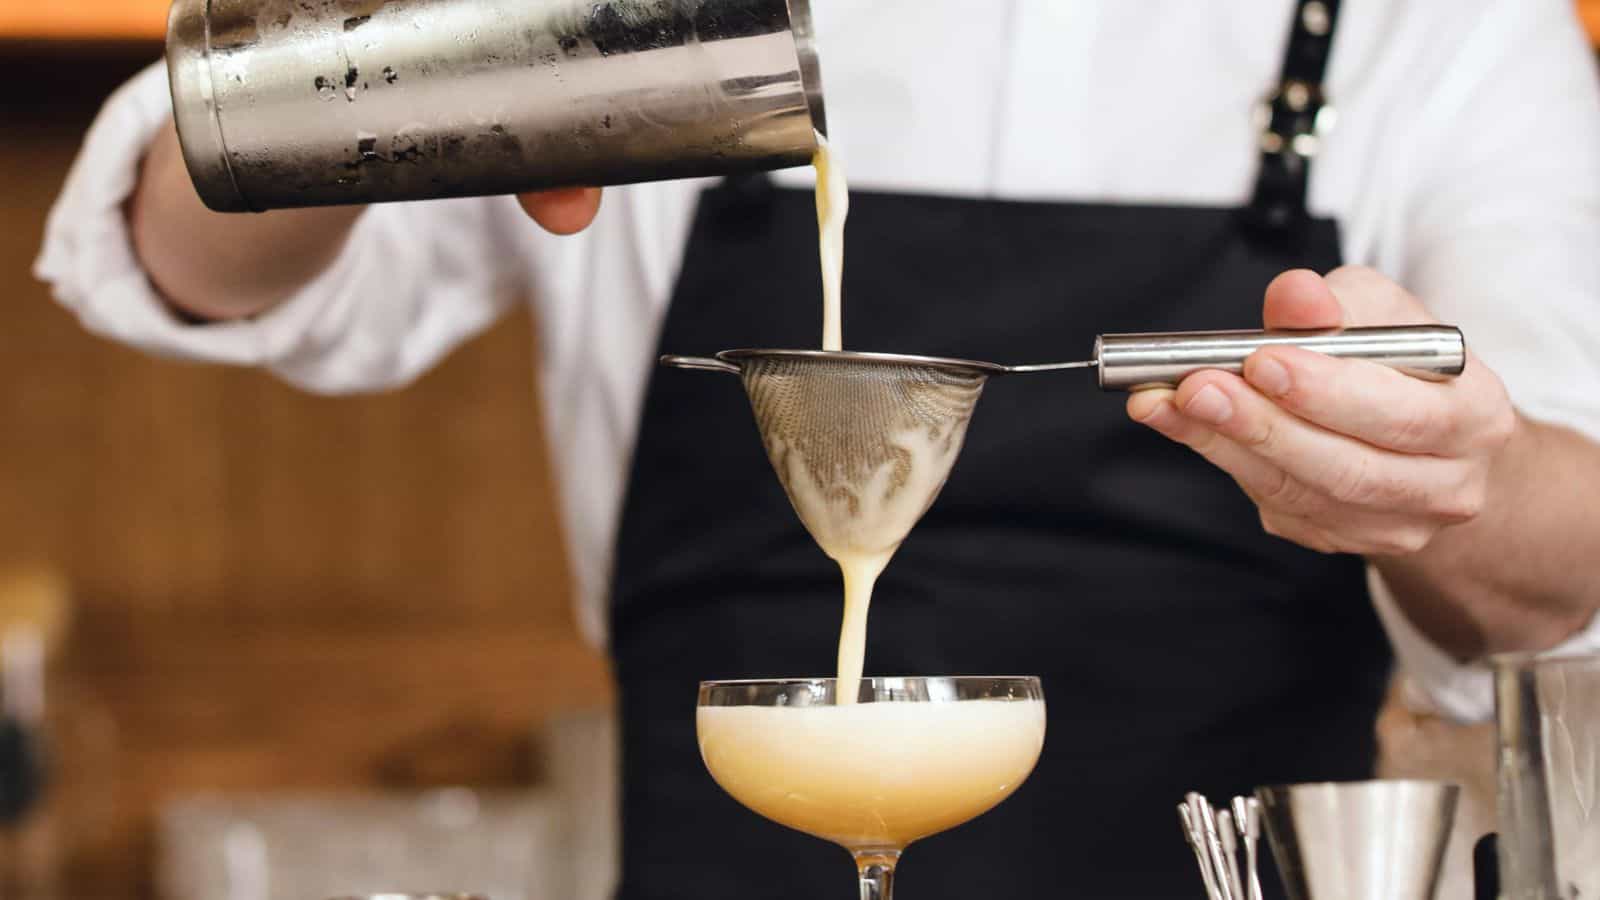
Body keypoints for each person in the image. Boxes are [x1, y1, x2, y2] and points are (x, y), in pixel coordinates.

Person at [35, 0, 1600, 896]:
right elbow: (186, 267)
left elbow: (1563, 557)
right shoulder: (640, 16)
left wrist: (1459, 482)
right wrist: (392, 56)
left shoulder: (1427, 23)